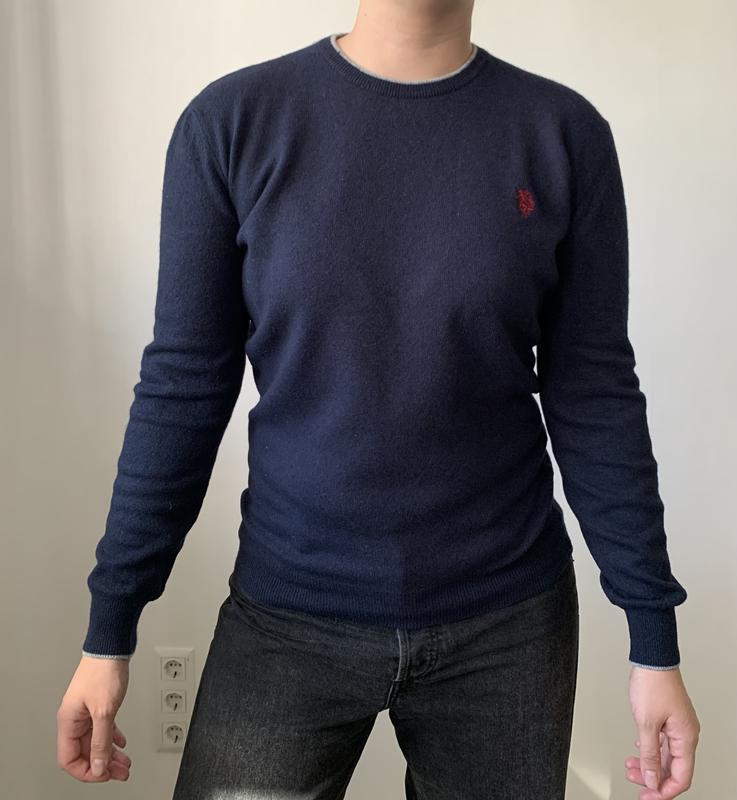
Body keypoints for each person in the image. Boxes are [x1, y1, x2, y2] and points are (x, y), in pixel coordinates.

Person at [56, 1, 701, 797]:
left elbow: (594, 391)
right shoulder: (233, 123)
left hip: (505, 625)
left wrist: (652, 640)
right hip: (288, 613)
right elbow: (183, 387)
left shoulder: (560, 133)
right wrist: (109, 627)